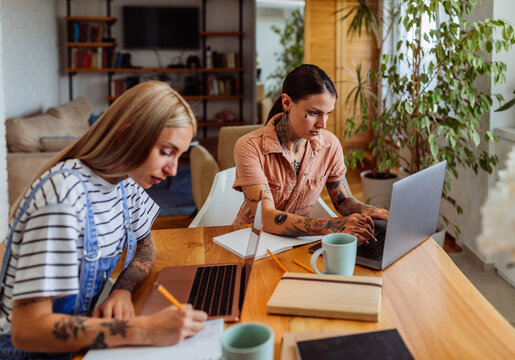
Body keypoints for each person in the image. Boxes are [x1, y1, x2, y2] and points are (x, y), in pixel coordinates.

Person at [0, 81, 208, 358]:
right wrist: (143, 330)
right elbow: (27, 331)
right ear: (126, 135)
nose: (172, 170)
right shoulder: (63, 197)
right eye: (166, 151)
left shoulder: (125, 181)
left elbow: (146, 244)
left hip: (78, 342)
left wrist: (122, 290)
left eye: (180, 155)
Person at [233, 64, 389, 242]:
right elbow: (265, 218)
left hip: (297, 241)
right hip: (250, 241)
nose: (323, 124)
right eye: (314, 113)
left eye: (328, 114)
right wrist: (334, 226)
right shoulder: (249, 147)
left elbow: (343, 200)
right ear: (287, 103)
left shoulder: (330, 146)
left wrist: (366, 210)